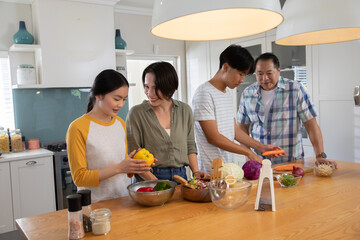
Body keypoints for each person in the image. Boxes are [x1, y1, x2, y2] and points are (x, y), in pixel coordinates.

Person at [237, 52, 337, 168]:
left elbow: (311, 125)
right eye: (260, 74)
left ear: (278, 70)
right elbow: (242, 128)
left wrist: (320, 155)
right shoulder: (247, 93)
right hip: (259, 163)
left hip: (291, 162)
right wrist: (248, 154)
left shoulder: (295, 89)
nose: (264, 78)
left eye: (269, 73)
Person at [66, 69, 152, 203]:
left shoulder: (120, 123)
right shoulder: (78, 127)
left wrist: (135, 165)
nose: (121, 104)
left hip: (124, 200)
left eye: (124, 99)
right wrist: (119, 168)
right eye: (116, 99)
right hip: (95, 206)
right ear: (99, 95)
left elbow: (122, 168)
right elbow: (79, 177)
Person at [192, 45, 281, 173]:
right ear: (226, 67)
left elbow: (233, 130)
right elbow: (213, 137)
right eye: (240, 74)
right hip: (210, 171)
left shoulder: (226, 93)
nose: (242, 80)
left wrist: (262, 147)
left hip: (227, 169)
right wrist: (248, 152)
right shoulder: (204, 93)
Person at [126, 61, 208, 182]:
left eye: (156, 88)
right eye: (147, 86)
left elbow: (190, 146)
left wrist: (196, 173)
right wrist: (157, 183)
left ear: (169, 87)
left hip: (181, 176)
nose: (150, 93)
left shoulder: (185, 110)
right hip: (150, 178)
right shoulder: (136, 114)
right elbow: (134, 158)